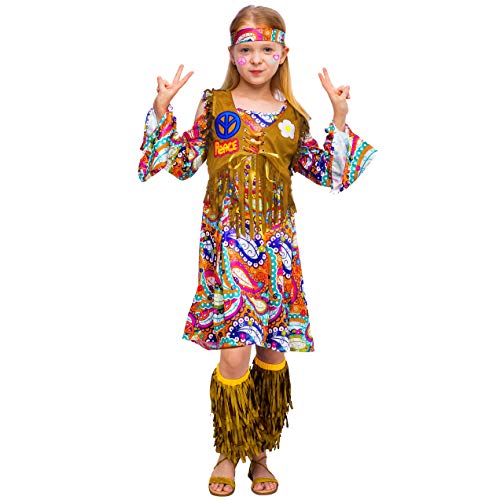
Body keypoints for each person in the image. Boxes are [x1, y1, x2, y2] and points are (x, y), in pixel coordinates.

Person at [138, 5, 376, 496]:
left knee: (270, 352)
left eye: (267, 49)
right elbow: (181, 164)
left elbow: (332, 175)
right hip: (225, 252)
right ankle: (228, 450)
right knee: (234, 357)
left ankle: (261, 454)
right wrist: (162, 111)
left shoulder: (293, 117)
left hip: (277, 255)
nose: (257, 58)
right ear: (232, 53)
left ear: (283, 54)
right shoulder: (215, 105)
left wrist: (339, 117)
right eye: (246, 49)